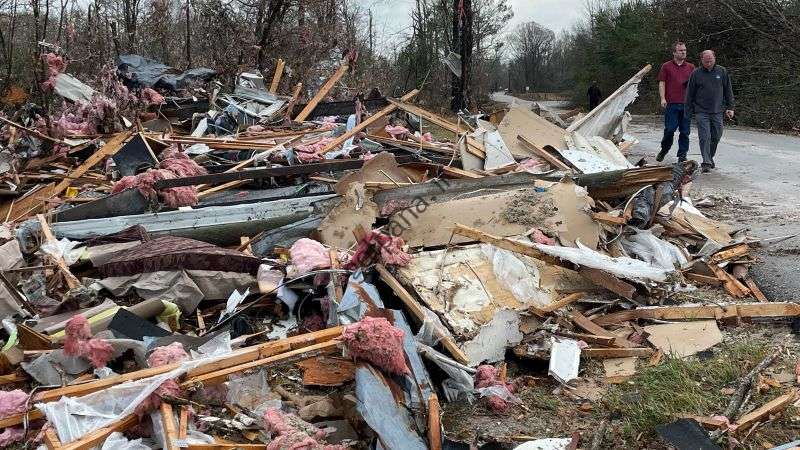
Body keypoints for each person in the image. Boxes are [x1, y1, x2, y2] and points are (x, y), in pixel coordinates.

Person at [685, 50, 735, 172]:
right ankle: (706, 161)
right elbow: (689, 93)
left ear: (714, 58)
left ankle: (710, 157)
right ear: (702, 60)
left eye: (711, 60)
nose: (708, 63)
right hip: (701, 111)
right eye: (706, 61)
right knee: (705, 136)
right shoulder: (696, 73)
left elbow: (728, 90)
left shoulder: (721, 71)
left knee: (717, 135)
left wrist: (730, 107)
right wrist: (688, 111)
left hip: (717, 110)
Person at [655, 41, 695, 162]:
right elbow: (662, 82)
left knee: (685, 132)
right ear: (674, 52)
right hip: (671, 103)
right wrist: (663, 98)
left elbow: (695, 85)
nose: (683, 52)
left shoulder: (691, 67)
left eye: (685, 50)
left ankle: (682, 156)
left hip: (686, 104)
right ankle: (664, 149)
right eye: (681, 50)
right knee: (670, 130)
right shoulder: (666, 66)